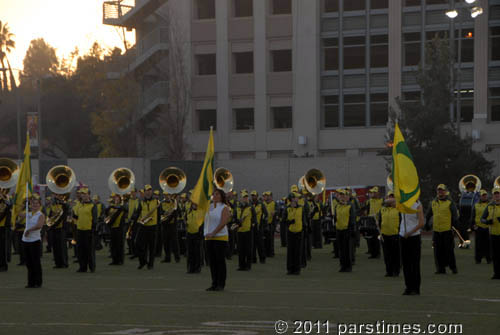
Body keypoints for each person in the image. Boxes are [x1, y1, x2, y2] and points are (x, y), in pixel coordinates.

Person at [426, 184, 459, 274]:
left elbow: (455, 216)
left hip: (447, 230)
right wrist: (426, 225)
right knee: (437, 251)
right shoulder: (433, 202)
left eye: (442, 190)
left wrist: (454, 227)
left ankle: (453, 268)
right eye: (438, 190)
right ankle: (440, 269)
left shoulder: (450, 202)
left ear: (445, 191)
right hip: (436, 231)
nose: (440, 192)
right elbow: (428, 214)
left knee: (449, 250)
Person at [204, 188, 231, 291]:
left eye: (217, 194)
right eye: (213, 194)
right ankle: (214, 283)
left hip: (220, 237)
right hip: (209, 238)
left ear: (221, 196)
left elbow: (223, 222)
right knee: (212, 262)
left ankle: (221, 284)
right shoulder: (209, 206)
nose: (215, 196)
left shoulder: (224, 207)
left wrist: (213, 233)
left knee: (220, 261)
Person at [400, 200, 424, 295]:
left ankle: (416, 288)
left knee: (414, 263)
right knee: (405, 263)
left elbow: (421, 223)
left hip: (414, 237)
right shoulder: (402, 203)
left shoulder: (418, 204)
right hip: (403, 236)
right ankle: (408, 287)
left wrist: (410, 232)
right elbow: (387, 201)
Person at [133, 185, 159, 270]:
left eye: (150, 190)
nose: (148, 192)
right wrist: (134, 221)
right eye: (146, 190)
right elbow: (137, 213)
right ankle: (143, 261)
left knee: (152, 247)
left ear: (151, 192)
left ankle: (150, 264)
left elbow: (160, 214)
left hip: (153, 227)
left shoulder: (157, 202)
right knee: (138, 245)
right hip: (143, 226)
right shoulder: (141, 202)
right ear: (144, 192)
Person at [23, 194, 45, 288]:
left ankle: (38, 282)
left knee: (36, 262)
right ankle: (30, 282)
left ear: (40, 205)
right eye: (33, 203)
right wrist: (24, 203)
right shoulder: (28, 213)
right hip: (26, 240)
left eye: (36, 204)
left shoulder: (41, 215)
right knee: (28, 263)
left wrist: (29, 230)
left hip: (35, 241)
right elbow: (17, 213)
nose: (35, 205)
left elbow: (39, 225)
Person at [73, 188, 97, 273]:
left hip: (88, 230)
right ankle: (82, 267)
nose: (82, 195)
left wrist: (93, 230)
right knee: (80, 250)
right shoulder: (79, 205)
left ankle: (91, 267)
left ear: (88, 195)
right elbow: (77, 217)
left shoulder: (93, 205)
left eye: (84, 193)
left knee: (89, 250)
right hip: (80, 230)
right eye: (81, 194)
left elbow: (94, 219)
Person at [377, 192, 401, 277]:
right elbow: (379, 221)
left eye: (392, 197)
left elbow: (401, 222)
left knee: (396, 254)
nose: (390, 198)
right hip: (384, 235)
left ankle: (396, 270)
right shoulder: (382, 209)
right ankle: (389, 271)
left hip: (395, 235)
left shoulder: (399, 208)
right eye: (389, 197)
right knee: (387, 255)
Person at [334, 190, 356, 272]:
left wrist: (352, 229)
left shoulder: (350, 206)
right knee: (341, 249)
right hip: (339, 230)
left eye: (344, 195)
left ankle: (348, 266)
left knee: (347, 249)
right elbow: (336, 218)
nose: (342, 197)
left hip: (347, 230)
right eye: (341, 195)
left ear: (347, 197)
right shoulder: (337, 206)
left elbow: (352, 218)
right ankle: (342, 265)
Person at [480, 186, 500, 279]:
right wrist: (487, 222)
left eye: (498, 193)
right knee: (495, 256)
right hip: (493, 234)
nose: (497, 196)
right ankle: (496, 273)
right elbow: (482, 219)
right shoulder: (490, 206)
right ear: (492, 196)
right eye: (495, 194)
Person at [471, 190, 491, 264]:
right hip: (478, 227)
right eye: (483, 195)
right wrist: (472, 226)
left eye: (485, 195)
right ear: (480, 196)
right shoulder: (476, 205)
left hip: (488, 227)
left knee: (488, 244)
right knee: (478, 244)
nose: (484, 197)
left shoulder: (490, 204)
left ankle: (489, 259)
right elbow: (473, 216)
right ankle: (478, 259)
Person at [286, 192, 303, 275]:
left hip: (299, 232)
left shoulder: (301, 208)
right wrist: (289, 221)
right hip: (290, 232)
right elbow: (284, 220)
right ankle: (290, 269)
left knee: (297, 251)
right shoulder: (287, 208)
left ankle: (297, 269)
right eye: (295, 198)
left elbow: (305, 219)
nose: (297, 199)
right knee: (290, 251)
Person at [107, 193, 126, 265]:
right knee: (113, 245)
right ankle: (114, 260)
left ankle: (120, 260)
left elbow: (124, 211)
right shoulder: (112, 207)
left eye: (118, 199)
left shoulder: (122, 208)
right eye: (115, 199)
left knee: (119, 245)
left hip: (119, 228)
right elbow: (107, 214)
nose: (116, 200)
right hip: (113, 228)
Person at [236, 191, 254, 271]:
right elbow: (234, 218)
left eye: (246, 197)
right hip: (239, 231)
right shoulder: (238, 208)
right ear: (241, 199)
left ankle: (248, 265)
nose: (245, 199)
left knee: (248, 249)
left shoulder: (251, 207)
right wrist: (236, 223)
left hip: (248, 231)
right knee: (240, 249)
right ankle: (241, 265)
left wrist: (252, 226)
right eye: (244, 197)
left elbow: (254, 219)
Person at [186, 201, 202, 273]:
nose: (194, 205)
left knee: (197, 252)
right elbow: (186, 220)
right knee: (190, 252)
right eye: (193, 204)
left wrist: (200, 233)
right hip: (189, 234)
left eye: (196, 204)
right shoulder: (188, 212)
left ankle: (197, 268)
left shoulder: (200, 213)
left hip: (197, 234)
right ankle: (190, 268)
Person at [0, 189, 12, 272]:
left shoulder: (5, 199)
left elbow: (9, 206)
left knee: (2, 247)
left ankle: (3, 265)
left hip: (3, 226)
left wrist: (3, 198)